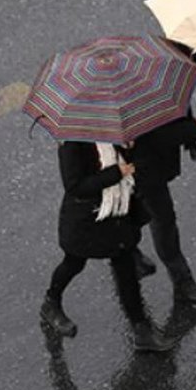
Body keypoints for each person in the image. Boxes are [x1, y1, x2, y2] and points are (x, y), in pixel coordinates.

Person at [39, 140, 178, 352]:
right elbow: (75, 186)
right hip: (87, 218)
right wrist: (116, 173)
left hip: (118, 213)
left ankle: (140, 328)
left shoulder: (115, 132)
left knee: (125, 267)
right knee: (74, 263)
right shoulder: (73, 143)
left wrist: (128, 149)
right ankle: (52, 301)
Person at [127, 115, 196, 305]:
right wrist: (192, 129)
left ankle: (128, 255)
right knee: (163, 220)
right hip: (145, 168)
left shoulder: (117, 101)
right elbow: (154, 136)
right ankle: (182, 281)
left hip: (136, 166)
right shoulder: (139, 101)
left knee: (135, 209)